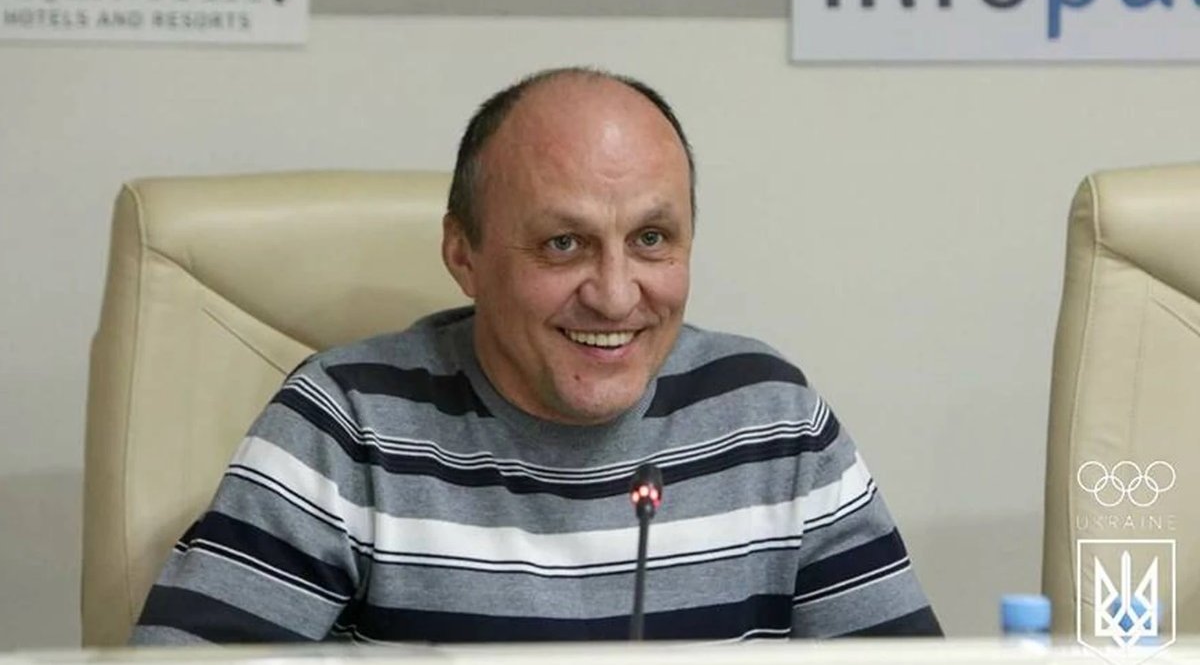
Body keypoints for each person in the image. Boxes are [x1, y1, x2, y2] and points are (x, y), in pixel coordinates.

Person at [131, 67, 942, 644]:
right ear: (465, 255)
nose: (616, 296)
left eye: (651, 238)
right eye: (564, 244)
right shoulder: (345, 425)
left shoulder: (775, 421)